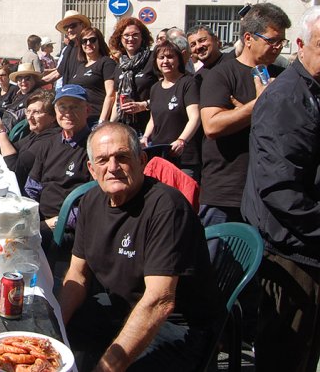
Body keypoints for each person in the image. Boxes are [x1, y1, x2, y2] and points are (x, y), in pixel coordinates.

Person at [59, 122, 221, 372]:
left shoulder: (166, 206)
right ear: (92, 169)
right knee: (51, 341)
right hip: (121, 307)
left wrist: (105, 368)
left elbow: (160, 302)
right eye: (102, 160)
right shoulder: (91, 201)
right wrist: (57, 329)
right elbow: (77, 275)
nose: (113, 168)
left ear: (142, 160)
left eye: (122, 157)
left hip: (175, 326)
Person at [242, 6, 320, 372]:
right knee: (286, 354)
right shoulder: (287, 99)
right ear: (301, 45)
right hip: (294, 251)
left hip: (306, 243)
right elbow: (282, 189)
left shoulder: (312, 90)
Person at [200, 3, 291, 225]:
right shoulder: (221, 75)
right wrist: (258, 105)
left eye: (282, 41)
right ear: (249, 38)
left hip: (270, 191)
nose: (278, 47)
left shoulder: (284, 77)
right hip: (227, 194)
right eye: (272, 41)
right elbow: (212, 126)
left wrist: (240, 111)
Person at [24, 85, 92, 250]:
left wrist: (56, 221)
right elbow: (32, 187)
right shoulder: (49, 143)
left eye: (75, 106)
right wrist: (28, 216)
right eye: (62, 107)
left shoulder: (94, 148)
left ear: (88, 110)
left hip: (66, 228)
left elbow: (93, 204)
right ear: (55, 111)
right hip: (41, 219)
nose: (67, 112)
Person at [141, 41, 201, 179]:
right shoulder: (155, 88)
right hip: (160, 156)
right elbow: (153, 118)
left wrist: (182, 140)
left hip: (184, 157)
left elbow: (195, 117)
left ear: (178, 59)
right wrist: (145, 137)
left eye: (170, 57)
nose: (165, 61)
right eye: (161, 57)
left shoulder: (188, 83)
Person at [0, 89, 57, 198]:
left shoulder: (48, 140)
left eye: (36, 112)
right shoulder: (37, 132)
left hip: (22, 195)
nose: (29, 117)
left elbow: (14, 167)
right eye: (28, 111)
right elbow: (8, 151)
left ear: (53, 117)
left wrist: (1, 131)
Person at [109, 16, 157, 135]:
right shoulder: (120, 65)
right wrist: (110, 126)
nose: (130, 38)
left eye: (135, 34)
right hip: (125, 128)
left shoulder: (153, 59)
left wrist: (143, 105)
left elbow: (165, 94)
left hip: (149, 125)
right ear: (120, 38)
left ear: (142, 37)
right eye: (126, 35)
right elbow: (117, 103)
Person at [69, 27, 116, 125]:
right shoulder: (81, 66)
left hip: (95, 119)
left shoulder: (106, 62)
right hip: (78, 119)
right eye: (84, 41)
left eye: (92, 40)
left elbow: (111, 95)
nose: (88, 43)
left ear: (99, 41)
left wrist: (102, 122)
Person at [44, 10, 91, 88]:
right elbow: (58, 72)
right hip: (67, 92)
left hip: (84, 94)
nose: (69, 30)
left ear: (82, 25)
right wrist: (36, 83)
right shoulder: (69, 48)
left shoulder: (89, 46)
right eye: (66, 28)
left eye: (73, 26)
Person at [1, 62, 43, 131]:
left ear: (34, 80)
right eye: (19, 78)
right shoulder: (18, 94)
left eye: (27, 78)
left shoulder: (35, 97)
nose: (23, 81)